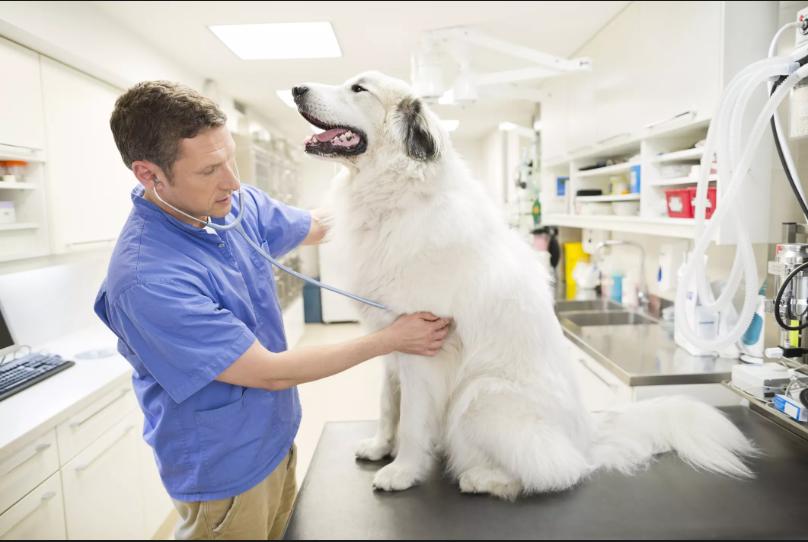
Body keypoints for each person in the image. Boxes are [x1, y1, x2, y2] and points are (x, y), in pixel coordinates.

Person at [93, 81, 451, 540]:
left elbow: (322, 224)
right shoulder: (148, 280)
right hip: (223, 473)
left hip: (275, 441)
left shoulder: (231, 206)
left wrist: (407, 200)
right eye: (209, 170)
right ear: (149, 175)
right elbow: (269, 373)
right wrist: (391, 339)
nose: (233, 182)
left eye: (230, 158)